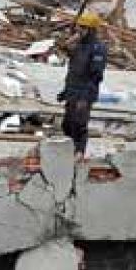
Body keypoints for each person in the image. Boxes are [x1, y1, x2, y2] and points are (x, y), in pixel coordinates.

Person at [59, 10, 108, 159]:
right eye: (79, 27)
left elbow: (96, 76)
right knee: (67, 124)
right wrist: (66, 91)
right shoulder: (79, 45)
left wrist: (85, 98)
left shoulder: (97, 49)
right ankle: (69, 149)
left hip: (84, 93)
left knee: (79, 124)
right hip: (72, 90)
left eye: (83, 27)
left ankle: (79, 152)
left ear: (91, 30)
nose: (79, 30)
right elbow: (70, 59)